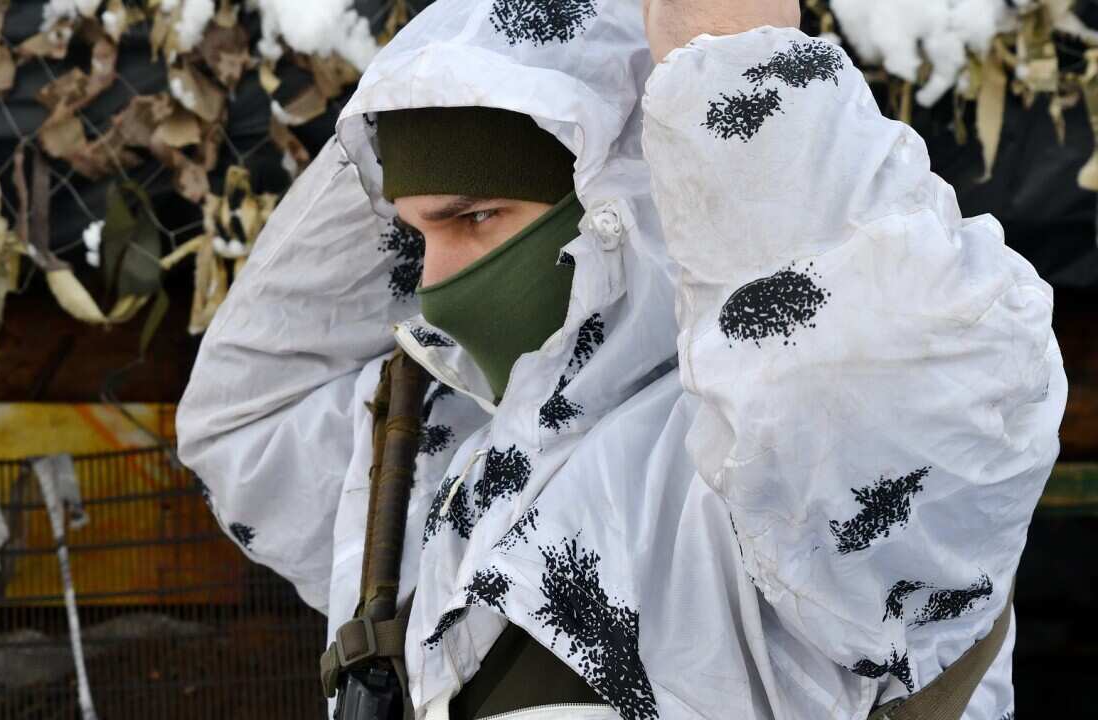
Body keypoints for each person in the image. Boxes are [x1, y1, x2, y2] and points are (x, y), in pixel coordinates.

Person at [177, 1, 1065, 718]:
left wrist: (722, 61)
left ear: (619, 209)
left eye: (474, 219)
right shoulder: (462, 460)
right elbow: (244, 425)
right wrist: (439, 71)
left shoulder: (759, 485)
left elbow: (845, 370)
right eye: (412, 237)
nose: (433, 288)